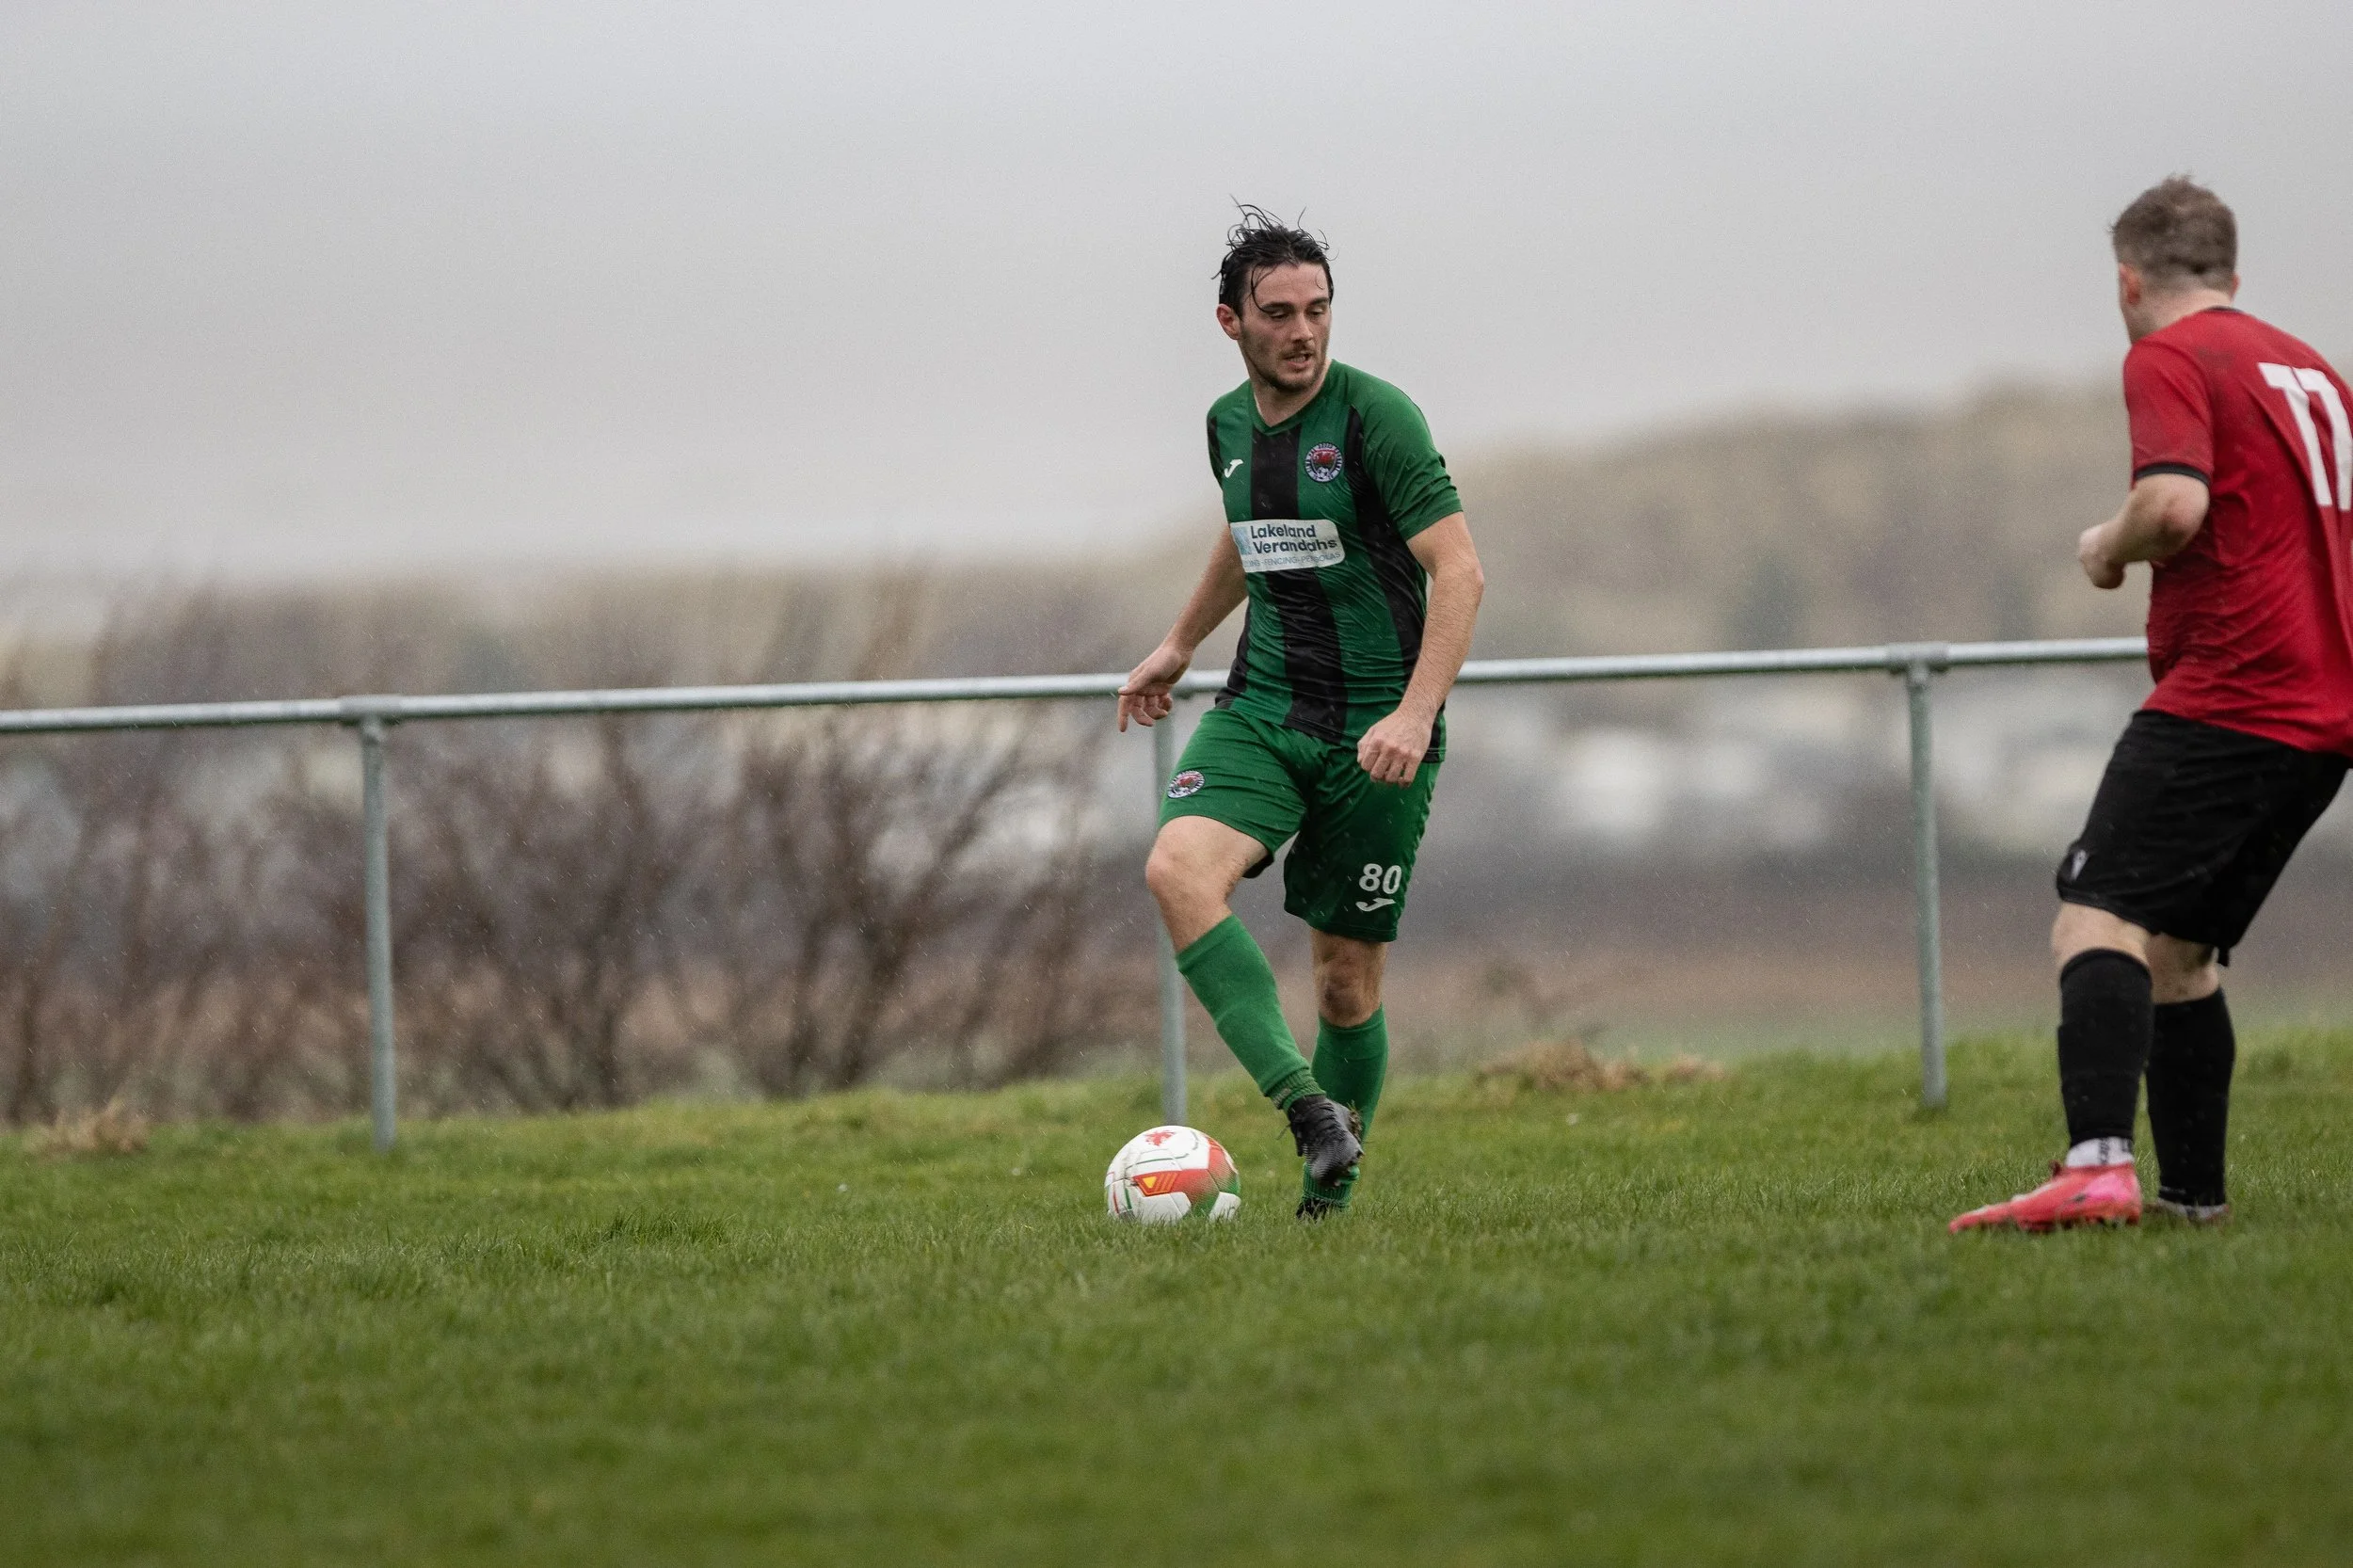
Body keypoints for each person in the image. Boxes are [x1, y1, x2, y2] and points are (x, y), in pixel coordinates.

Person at [1952, 178, 2353, 1233]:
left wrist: (2106, 545)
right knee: (2180, 952)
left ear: (2126, 280)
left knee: (2097, 913)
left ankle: (2095, 1167)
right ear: (2234, 277)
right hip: (2324, 715)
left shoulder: (2170, 356)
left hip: (2232, 694)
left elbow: (2173, 504)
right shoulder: (2311, 369)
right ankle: (2193, 1203)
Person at [1117, 208, 1485, 1219]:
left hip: (1378, 731)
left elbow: (1458, 570)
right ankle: (1307, 1110)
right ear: (1230, 321)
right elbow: (1249, 536)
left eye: (1317, 309)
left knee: (1343, 987)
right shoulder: (1225, 425)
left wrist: (1415, 713)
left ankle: (1330, 1204)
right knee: (1175, 870)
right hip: (1264, 705)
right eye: (1277, 312)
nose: (1303, 331)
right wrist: (1180, 641)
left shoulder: (1378, 418)